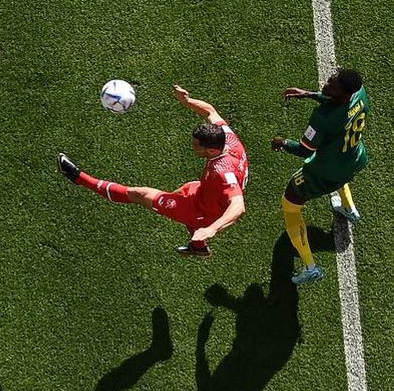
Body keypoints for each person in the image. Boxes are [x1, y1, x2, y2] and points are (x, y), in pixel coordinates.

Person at [57, 85, 249, 259]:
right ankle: (198, 246)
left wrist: (211, 229)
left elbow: (238, 206)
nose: (192, 147)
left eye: (196, 146)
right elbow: (210, 111)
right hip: (202, 193)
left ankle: (77, 177)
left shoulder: (223, 174)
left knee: (139, 194)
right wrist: (188, 101)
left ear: (212, 150)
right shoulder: (228, 138)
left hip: (203, 213)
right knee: (182, 192)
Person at [272, 68, 370, 285]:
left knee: (290, 203)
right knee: (340, 175)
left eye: (332, 84)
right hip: (354, 159)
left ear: (343, 92)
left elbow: (306, 150)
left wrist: (283, 143)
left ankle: (310, 267)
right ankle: (348, 208)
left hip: (325, 172)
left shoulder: (323, 118)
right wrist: (310, 94)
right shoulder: (359, 92)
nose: (327, 84)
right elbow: (339, 104)